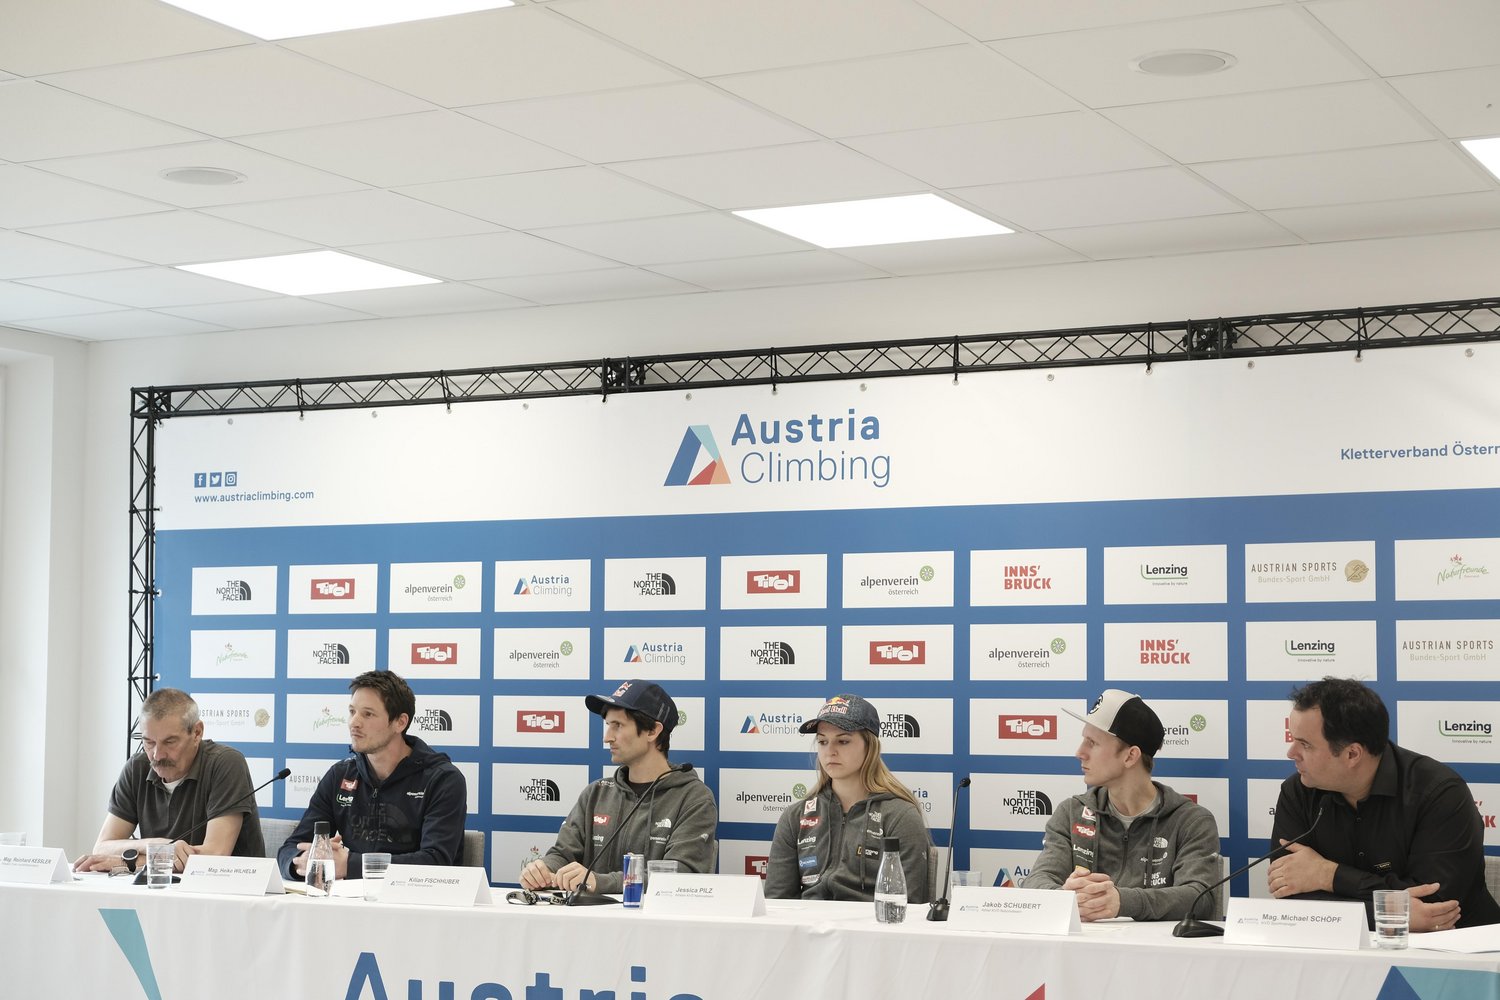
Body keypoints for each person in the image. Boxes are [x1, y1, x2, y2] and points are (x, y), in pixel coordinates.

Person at [1268, 676, 1500, 930]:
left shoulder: (1439, 794)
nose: (1291, 753)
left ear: (1352, 754)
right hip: (1340, 947)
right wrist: (1388, 912)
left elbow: (1435, 905)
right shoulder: (1298, 791)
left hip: (1455, 947)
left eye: (1305, 744)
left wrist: (1328, 875)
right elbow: (1289, 893)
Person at [1023, 689, 1221, 921]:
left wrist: (1122, 902)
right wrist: (1066, 897)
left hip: (1154, 945)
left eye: (1092, 743)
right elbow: (1036, 881)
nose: (1079, 752)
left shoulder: (1191, 821)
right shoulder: (1071, 812)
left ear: (1130, 756)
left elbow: (1200, 898)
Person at [519, 679, 717, 894]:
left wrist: (600, 882)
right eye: (608, 725)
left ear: (652, 731)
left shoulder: (694, 798)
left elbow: (682, 875)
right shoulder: (596, 793)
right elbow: (562, 854)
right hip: (588, 915)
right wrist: (544, 869)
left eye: (618, 726)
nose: (607, 738)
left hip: (655, 916)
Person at [277, 670, 467, 881]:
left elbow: (436, 862)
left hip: (416, 898)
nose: (354, 722)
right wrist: (304, 862)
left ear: (400, 722)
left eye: (368, 714)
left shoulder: (442, 780)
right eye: (352, 711)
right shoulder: (340, 775)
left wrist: (350, 866)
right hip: (350, 898)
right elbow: (291, 848)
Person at [74, 687, 264, 873]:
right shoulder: (137, 768)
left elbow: (214, 857)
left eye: (170, 742)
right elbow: (102, 847)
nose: (157, 755)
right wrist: (157, 845)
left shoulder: (226, 763)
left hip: (229, 888)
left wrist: (129, 861)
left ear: (197, 732)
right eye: (149, 742)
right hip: (161, 888)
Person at [766, 694, 931, 902]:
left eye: (843, 741)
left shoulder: (900, 816)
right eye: (822, 741)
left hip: (875, 922)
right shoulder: (795, 816)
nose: (830, 751)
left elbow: (908, 906)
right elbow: (777, 902)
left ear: (870, 747)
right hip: (807, 922)